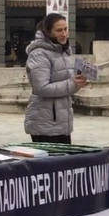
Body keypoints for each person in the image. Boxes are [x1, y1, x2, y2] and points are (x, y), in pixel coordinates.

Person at [25, 13, 87, 143]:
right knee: (48, 163)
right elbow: (42, 88)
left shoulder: (63, 51)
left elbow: (66, 84)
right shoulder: (39, 54)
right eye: (59, 30)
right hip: (44, 123)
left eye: (65, 29)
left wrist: (77, 82)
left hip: (62, 122)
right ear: (47, 31)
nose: (64, 34)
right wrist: (72, 84)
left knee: (65, 162)